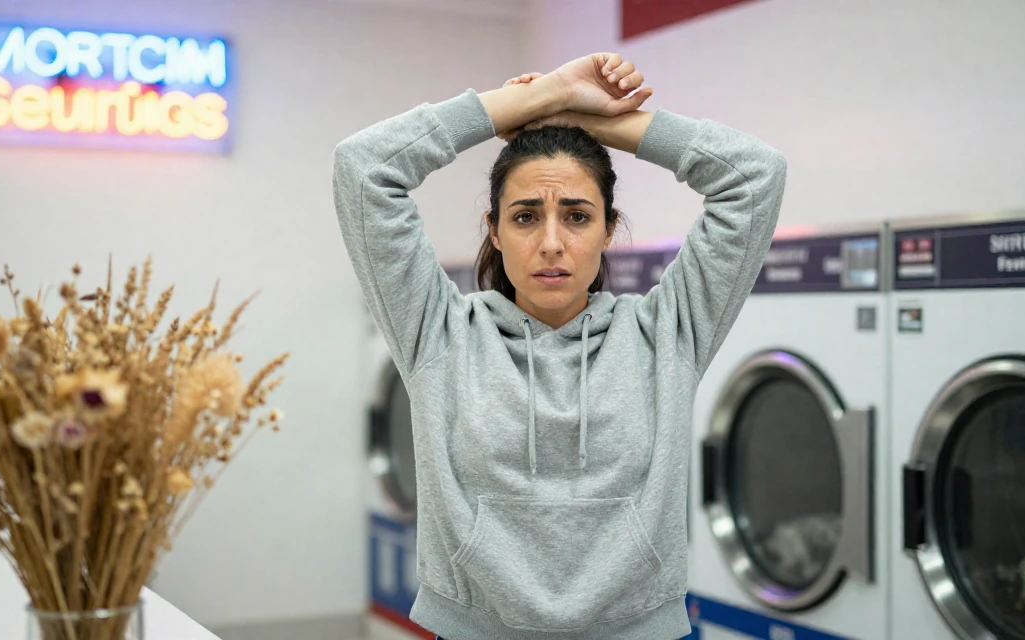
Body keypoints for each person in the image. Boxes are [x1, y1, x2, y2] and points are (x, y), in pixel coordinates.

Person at [333, 52, 786, 640]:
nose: (551, 243)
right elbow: (363, 168)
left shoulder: (666, 334)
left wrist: (590, 122)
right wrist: (528, 102)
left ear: (608, 228)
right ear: (495, 230)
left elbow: (755, 175)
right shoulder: (439, 334)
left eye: (576, 216)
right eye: (525, 217)